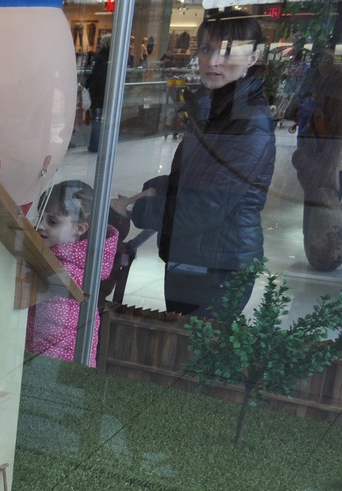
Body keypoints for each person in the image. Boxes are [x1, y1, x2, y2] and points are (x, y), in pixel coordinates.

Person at [112, 11, 275, 318]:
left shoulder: (246, 120)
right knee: (182, 338)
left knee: (193, 343)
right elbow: (198, 179)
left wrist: (139, 210)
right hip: (196, 254)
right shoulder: (214, 108)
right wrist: (155, 190)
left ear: (252, 58)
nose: (213, 61)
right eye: (206, 49)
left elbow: (207, 205)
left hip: (218, 264)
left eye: (228, 52)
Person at [26, 180, 118, 366]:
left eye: (52, 222)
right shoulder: (77, 263)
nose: (40, 226)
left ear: (80, 229)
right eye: (40, 216)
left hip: (53, 365)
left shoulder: (64, 269)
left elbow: (54, 336)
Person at [84, 35, 109, 152]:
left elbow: (94, 74)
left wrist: (86, 86)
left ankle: (94, 145)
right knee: (105, 120)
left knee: (97, 120)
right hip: (107, 93)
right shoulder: (116, 56)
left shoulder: (101, 56)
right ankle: (104, 144)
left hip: (98, 92)